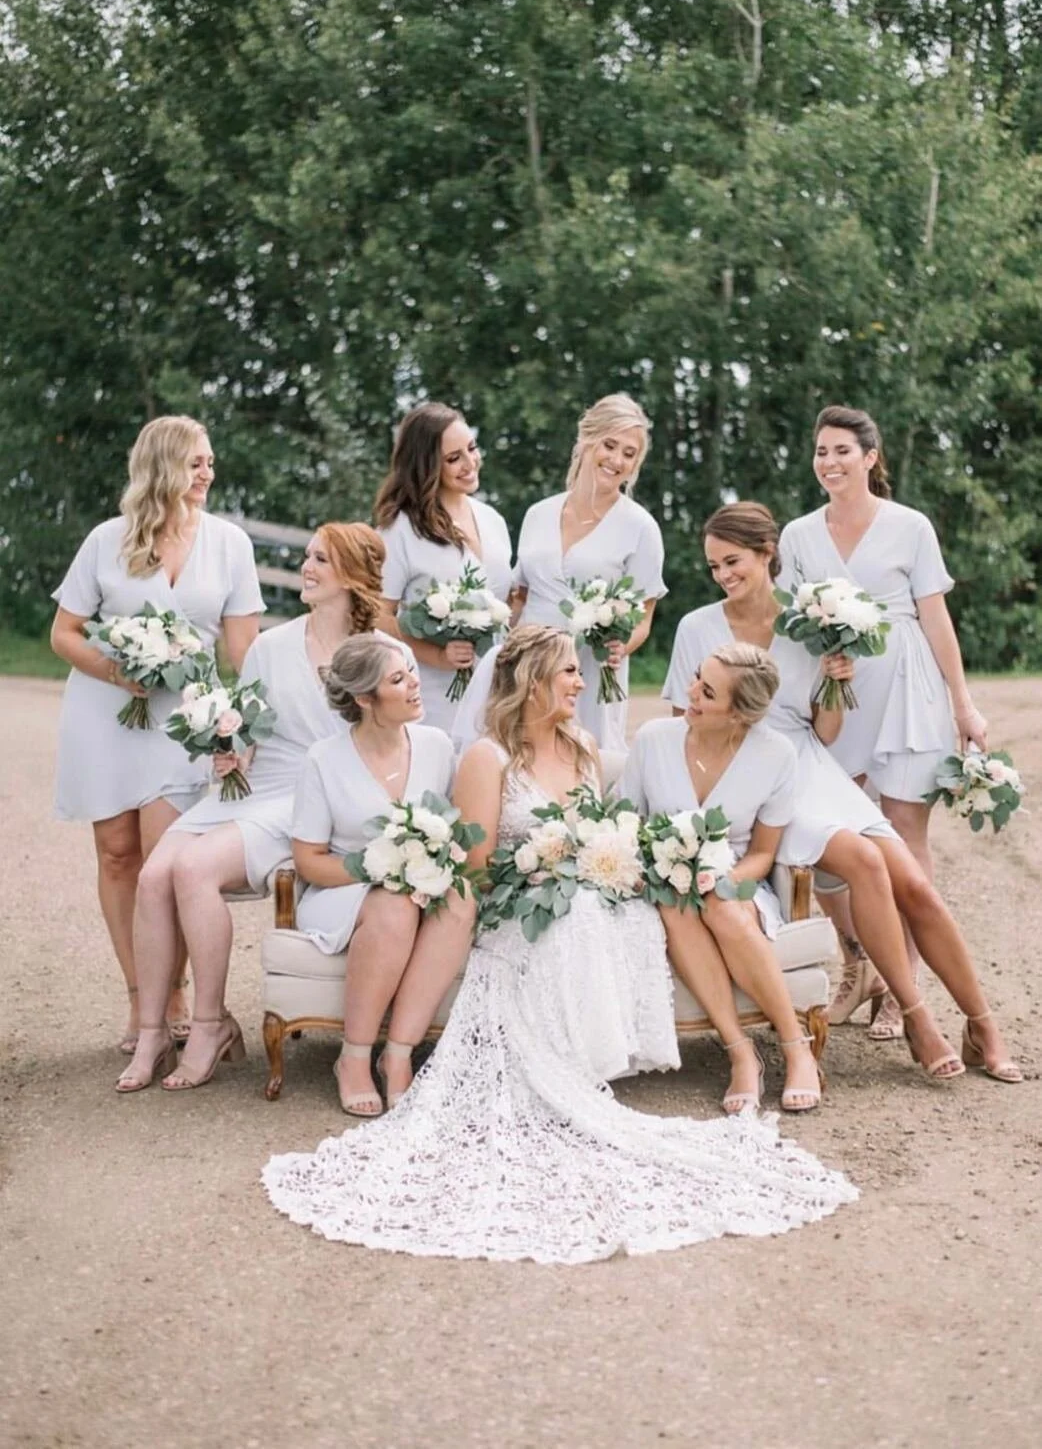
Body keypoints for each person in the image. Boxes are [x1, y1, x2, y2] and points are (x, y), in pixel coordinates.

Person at [262, 626, 857, 1265]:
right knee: (573, 916)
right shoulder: (486, 758)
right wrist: (542, 866)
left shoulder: (583, 746)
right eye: (569, 671)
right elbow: (478, 869)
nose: (581, 681)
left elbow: (603, 830)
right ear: (533, 682)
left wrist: (599, 861)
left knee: (612, 912)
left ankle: (596, 1060)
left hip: (586, 888)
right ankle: (500, 1064)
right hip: (518, 900)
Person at [662, 501, 1020, 1084]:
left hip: (810, 763)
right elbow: (687, 725)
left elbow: (825, 732)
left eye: (732, 562)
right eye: (714, 566)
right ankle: (917, 1016)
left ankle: (983, 1026)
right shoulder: (696, 628)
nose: (723, 575)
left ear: (767, 554)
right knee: (863, 861)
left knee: (915, 886)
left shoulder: (808, 626)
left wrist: (836, 683)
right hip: (748, 774)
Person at [116, 523, 413, 1092]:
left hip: (310, 797)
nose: (306, 567)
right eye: (308, 556)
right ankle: (152, 1032)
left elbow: (395, 739)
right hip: (256, 787)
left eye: (320, 559)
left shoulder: (386, 654)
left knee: (193, 869)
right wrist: (228, 753)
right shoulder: (270, 648)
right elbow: (248, 733)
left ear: (351, 575)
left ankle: (209, 1025)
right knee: (154, 876)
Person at [50, 415, 263, 1057]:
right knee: (118, 854)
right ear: (163, 467)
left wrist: (248, 720)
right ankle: (140, 998)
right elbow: (64, 633)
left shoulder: (229, 544)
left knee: (165, 860)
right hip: (104, 713)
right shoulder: (106, 541)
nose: (208, 473)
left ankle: (175, 997)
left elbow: (244, 651)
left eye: (210, 462)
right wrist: (117, 671)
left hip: (185, 721)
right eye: (196, 463)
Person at [778, 404, 984, 1038]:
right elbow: (790, 623)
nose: (830, 462)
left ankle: (903, 988)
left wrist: (963, 703)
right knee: (827, 834)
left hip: (906, 689)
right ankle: (858, 962)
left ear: (870, 458)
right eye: (821, 451)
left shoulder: (910, 526)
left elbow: (935, 617)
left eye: (843, 450)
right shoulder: (798, 536)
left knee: (903, 835)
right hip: (836, 692)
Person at [624, 644, 823, 1114]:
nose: (690, 692)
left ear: (739, 714)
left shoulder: (776, 754)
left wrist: (722, 878)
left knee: (722, 907)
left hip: (739, 878)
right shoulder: (653, 740)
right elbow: (626, 823)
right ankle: (741, 1053)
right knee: (675, 903)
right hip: (663, 883)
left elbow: (763, 853)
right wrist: (651, 869)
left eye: (708, 692)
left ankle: (797, 1048)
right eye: (697, 677)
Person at [290, 633, 474, 1115]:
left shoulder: (436, 746)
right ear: (364, 699)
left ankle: (398, 1054)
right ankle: (353, 1058)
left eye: (411, 672)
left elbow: (454, 829)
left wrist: (432, 864)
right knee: (394, 907)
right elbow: (308, 860)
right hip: (341, 890)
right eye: (398, 679)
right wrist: (378, 869)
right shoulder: (323, 759)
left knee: (461, 898)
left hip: (419, 886)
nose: (415, 684)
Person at [452, 393, 666, 754]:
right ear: (585, 440)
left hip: (589, 671)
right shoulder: (538, 514)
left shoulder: (640, 527)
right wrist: (486, 634)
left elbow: (644, 618)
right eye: (609, 445)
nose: (617, 460)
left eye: (629, 454)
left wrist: (620, 647)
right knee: (516, 756)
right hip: (527, 666)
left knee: (582, 759)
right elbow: (519, 597)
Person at [374, 402, 513, 734]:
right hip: (432, 693)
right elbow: (376, 616)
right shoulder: (400, 530)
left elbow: (504, 601)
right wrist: (437, 655)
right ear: (426, 466)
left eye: (472, 448)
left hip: (494, 689)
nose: (470, 463)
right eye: (453, 458)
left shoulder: (492, 520)